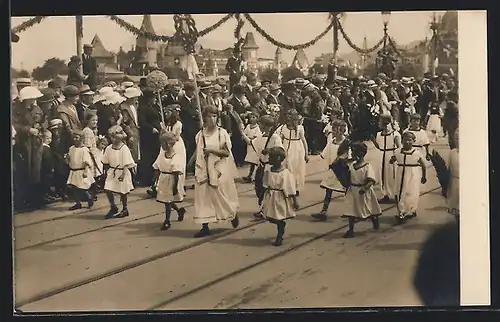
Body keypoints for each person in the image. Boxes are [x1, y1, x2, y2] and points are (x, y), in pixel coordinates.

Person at [192, 105, 240, 238]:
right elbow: (197, 151)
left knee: (220, 195)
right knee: (203, 197)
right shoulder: (200, 134)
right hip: (203, 169)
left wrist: (212, 151)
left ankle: (231, 213)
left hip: (218, 169)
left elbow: (226, 152)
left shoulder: (221, 133)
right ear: (204, 118)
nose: (212, 119)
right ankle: (204, 225)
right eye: (209, 116)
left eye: (214, 116)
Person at [12, 86, 44, 209]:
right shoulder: (17, 110)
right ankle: (22, 199)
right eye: (31, 98)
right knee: (24, 169)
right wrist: (28, 129)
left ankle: (34, 198)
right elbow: (14, 125)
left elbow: (43, 119)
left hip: (36, 142)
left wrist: (40, 126)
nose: (33, 100)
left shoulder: (37, 108)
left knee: (36, 169)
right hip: (23, 142)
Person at [312, 119, 350, 221]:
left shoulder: (346, 143)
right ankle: (324, 211)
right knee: (328, 190)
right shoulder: (331, 142)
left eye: (335, 130)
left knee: (348, 191)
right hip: (333, 170)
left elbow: (349, 158)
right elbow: (324, 155)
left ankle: (352, 210)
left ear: (342, 131)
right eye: (332, 129)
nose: (333, 132)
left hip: (342, 171)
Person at [342, 142, 382, 238]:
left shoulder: (367, 166)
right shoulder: (351, 165)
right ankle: (351, 230)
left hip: (363, 191)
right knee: (350, 210)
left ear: (361, 154)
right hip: (352, 190)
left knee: (367, 209)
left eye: (355, 152)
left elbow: (371, 180)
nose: (353, 154)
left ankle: (374, 218)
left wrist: (364, 188)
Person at [262, 146, 299, 246]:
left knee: (279, 217)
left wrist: (294, 201)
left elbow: (291, 188)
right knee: (271, 217)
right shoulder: (268, 171)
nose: (269, 159)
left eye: (271, 157)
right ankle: (280, 226)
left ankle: (280, 235)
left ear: (278, 159)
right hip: (271, 197)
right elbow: (265, 183)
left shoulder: (285, 173)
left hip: (281, 198)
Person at [390, 131, 427, 224]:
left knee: (412, 193)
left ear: (413, 141)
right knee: (399, 192)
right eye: (405, 140)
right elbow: (393, 159)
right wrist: (392, 160)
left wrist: (424, 176)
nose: (407, 142)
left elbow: (423, 165)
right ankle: (401, 213)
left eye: (410, 140)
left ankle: (411, 209)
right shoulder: (397, 151)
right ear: (402, 141)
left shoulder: (416, 153)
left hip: (413, 174)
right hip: (400, 174)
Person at [153, 131, 186, 231]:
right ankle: (179, 210)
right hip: (163, 179)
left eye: (162, 143)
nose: (161, 146)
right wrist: (154, 181)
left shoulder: (176, 157)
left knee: (168, 201)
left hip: (171, 180)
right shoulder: (162, 155)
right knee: (166, 201)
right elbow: (157, 168)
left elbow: (176, 173)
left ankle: (167, 221)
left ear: (168, 144)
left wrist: (175, 187)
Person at [252, 115, 284, 220]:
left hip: (269, 167)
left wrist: (269, 151)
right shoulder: (262, 136)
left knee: (266, 188)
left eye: (260, 124)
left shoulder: (275, 137)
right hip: (261, 165)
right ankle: (262, 207)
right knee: (259, 187)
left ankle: (264, 209)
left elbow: (280, 151)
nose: (259, 126)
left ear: (266, 126)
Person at [102, 125, 136, 219]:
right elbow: (105, 161)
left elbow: (126, 163)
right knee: (108, 189)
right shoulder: (109, 148)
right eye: (111, 137)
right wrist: (105, 171)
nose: (112, 139)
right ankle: (113, 206)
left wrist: (123, 174)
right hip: (112, 171)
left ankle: (125, 209)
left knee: (122, 191)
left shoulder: (123, 148)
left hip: (122, 172)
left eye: (114, 137)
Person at [371, 114, 401, 204]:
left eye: (380, 121)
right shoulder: (378, 134)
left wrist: (395, 156)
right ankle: (385, 194)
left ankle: (395, 194)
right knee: (383, 176)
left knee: (392, 175)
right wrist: (373, 141)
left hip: (391, 155)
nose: (378, 123)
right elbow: (378, 146)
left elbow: (399, 147)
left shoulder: (395, 134)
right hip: (381, 155)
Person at [278, 109, 309, 195]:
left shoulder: (300, 128)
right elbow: (280, 138)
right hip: (286, 146)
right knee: (287, 167)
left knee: (296, 168)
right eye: (287, 116)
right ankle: (287, 186)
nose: (288, 118)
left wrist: (306, 153)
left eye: (290, 116)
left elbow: (304, 141)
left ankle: (295, 187)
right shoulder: (283, 127)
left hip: (297, 149)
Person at [65, 129, 95, 210]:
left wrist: (85, 171)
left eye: (77, 137)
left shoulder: (84, 149)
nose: (75, 139)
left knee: (82, 187)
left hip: (81, 171)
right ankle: (78, 203)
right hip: (74, 171)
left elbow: (87, 161)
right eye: (74, 138)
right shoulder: (71, 148)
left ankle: (89, 197)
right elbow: (69, 159)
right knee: (74, 188)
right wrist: (67, 159)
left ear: (81, 138)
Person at [82, 112, 102, 200]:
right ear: (88, 121)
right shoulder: (87, 131)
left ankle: (92, 193)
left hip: (93, 153)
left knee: (93, 175)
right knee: (90, 175)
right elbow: (87, 145)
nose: (95, 122)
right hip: (90, 154)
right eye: (93, 120)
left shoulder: (91, 130)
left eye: (96, 120)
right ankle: (89, 194)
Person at [57, 85, 82, 151]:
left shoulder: (73, 107)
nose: (78, 98)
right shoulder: (62, 110)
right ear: (69, 97)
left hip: (78, 136)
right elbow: (67, 127)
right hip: (69, 139)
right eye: (76, 97)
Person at [242, 111, 262, 182]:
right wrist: (245, 137)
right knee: (251, 162)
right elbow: (244, 134)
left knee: (254, 162)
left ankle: (253, 176)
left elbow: (256, 138)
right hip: (249, 146)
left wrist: (249, 139)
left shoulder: (258, 128)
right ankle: (250, 175)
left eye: (254, 117)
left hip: (254, 146)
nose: (252, 119)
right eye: (251, 117)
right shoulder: (248, 126)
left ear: (257, 118)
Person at [446, 128, 459, 217]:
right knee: (455, 206)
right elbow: (449, 169)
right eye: (456, 138)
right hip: (454, 181)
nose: (458, 140)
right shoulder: (452, 152)